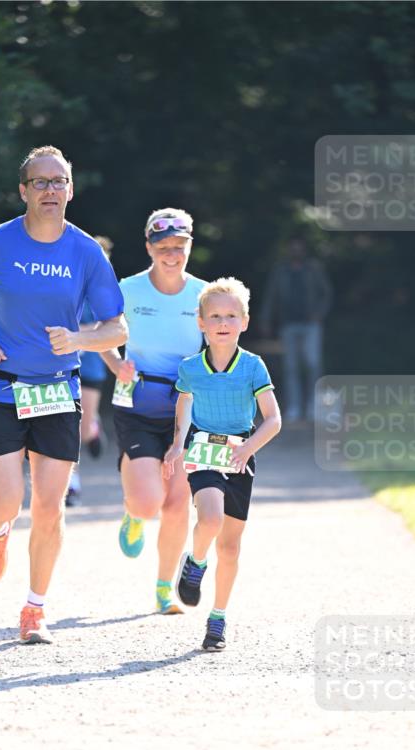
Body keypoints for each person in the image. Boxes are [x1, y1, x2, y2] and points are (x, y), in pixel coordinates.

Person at [0, 145, 127, 644]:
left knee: (49, 506)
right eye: (39, 182)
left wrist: (82, 341)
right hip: (0, 389)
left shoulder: (86, 251)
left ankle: (35, 609)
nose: (50, 190)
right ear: (23, 191)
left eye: (58, 181)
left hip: (58, 393)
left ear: (71, 189)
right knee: (6, 502)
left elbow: (117, 327)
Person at [164, 277, 281, 651]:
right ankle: (195, 562)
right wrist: (177, 443)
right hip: (203, 452)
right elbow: (183, 403)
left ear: (244, 322)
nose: (223, 322)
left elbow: (273, 419)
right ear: (200, 322)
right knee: (210, 518)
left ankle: (217, 619)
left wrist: (248, 449)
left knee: (230, 547)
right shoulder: (190, 368)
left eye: (231, 315)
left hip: (240, 456)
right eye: (214, 315)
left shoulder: (253, 367)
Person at [102, 209, 207, 615]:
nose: (172, 254)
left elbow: (220, 340)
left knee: (178, 502)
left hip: (185, 406)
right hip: (136, 400)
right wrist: (116, 364)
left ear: (189, 246)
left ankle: (164, 589)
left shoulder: (203, 293)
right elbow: (97, 333)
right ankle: (133, 512)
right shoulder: (127, 289)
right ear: (149, 247)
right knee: (149, 503)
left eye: (179, 247)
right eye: (163, 248)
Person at [258, 237, 332, 423]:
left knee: (313, 364)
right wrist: (266, 319)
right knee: (291, 367)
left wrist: (319, 314)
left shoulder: (313, 268)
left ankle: (313, 406)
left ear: (304, 250)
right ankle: (294, 407)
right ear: (288, 250)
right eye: (293, 248)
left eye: (299, 248)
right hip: (288, 324)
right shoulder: (280, 270)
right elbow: (271, 296)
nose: (296, 252)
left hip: (311, 323)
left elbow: (326, 293)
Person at [66, 235, 115, 507]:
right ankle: (71, 484)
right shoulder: (64, 285)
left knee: (82, 429)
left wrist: (75, 333)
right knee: (67, 427)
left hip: (93, 365)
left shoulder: (107, 291)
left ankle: (93, 430)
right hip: (60, 366)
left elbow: (109, 327)